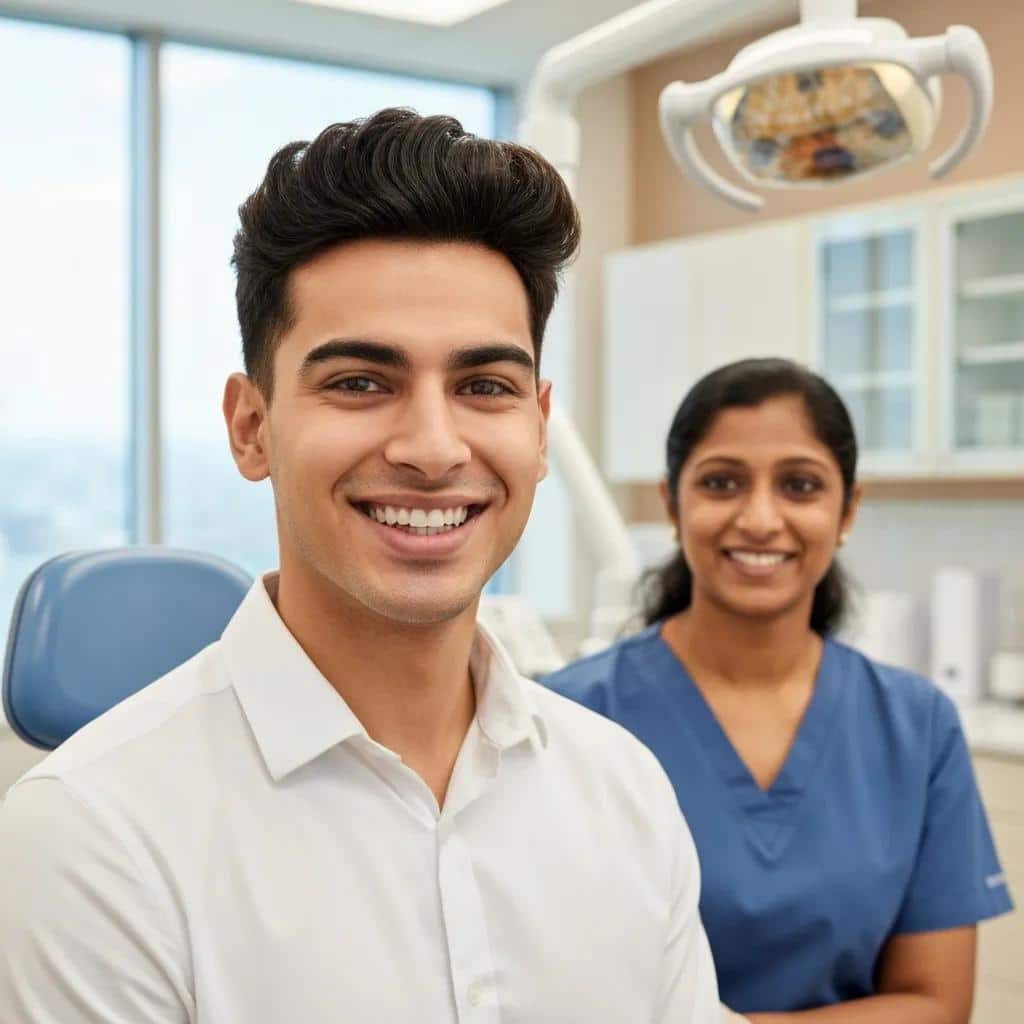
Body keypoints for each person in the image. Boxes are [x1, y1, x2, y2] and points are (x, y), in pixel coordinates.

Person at [0, 110, 719, 1022]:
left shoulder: (623, 789)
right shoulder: (94, 834)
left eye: (484, 386)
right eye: (359, 383)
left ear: (540, 427)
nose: (431, 446)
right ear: (251, 427)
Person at [546, 358, 1014, 1023]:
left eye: (799, 485)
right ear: (674, 503)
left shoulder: (916, 726)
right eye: (722, 482)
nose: (761, 519)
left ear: (847, 509)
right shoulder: (571, 715)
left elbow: (935, 1004)